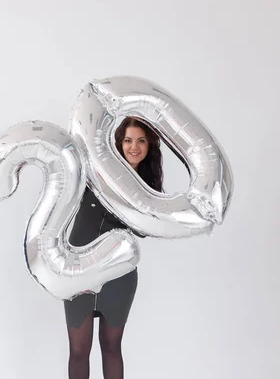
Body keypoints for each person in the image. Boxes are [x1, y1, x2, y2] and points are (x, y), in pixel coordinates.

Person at [64, 117, 164, 379]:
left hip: (118, 274)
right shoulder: (95, 170)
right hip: (79, 267)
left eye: (141, 141)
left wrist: (138, 199)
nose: (134, 147)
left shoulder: (148, 185)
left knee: (111, 347)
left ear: (149, 146)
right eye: (128, 140)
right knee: (78, 350)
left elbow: (145, 230)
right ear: (118, 143)